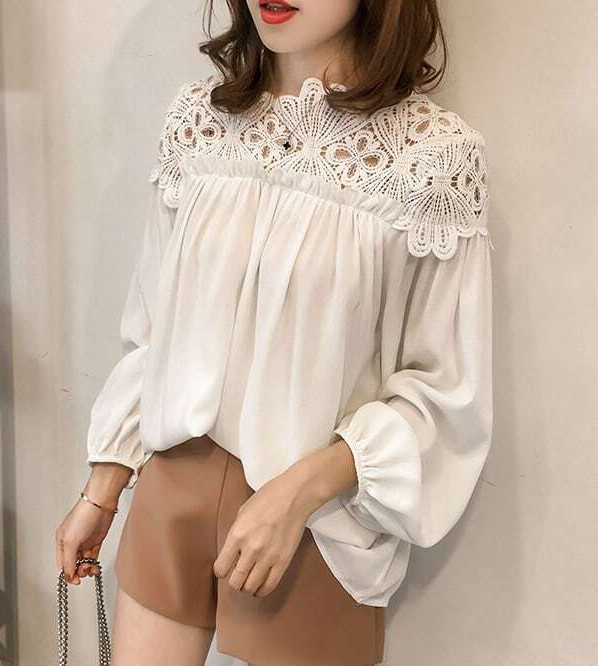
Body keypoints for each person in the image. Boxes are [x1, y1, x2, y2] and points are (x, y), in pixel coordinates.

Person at [55, 1, 494, 664]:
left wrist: (301, 491)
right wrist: (105, 481)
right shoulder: (198, 122)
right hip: (172, 487)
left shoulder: (434, 158)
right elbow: (155, 328)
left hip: (313, 522)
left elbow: (445, 393)